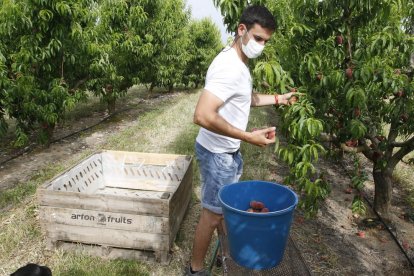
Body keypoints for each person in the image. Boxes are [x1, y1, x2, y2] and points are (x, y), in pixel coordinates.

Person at [185, 5, 297, 276]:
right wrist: (248, 137)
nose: (261, 45)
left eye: (265, 41)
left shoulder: (238, 62)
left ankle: (226, 255)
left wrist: (279, 99)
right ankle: (195, 269)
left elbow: (243, 98)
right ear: (242, 30)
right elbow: (201, 115)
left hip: (225, 152)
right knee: (211, 216)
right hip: (218, 154)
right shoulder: (229, 68)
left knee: (224, 211)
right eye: (258, 38)